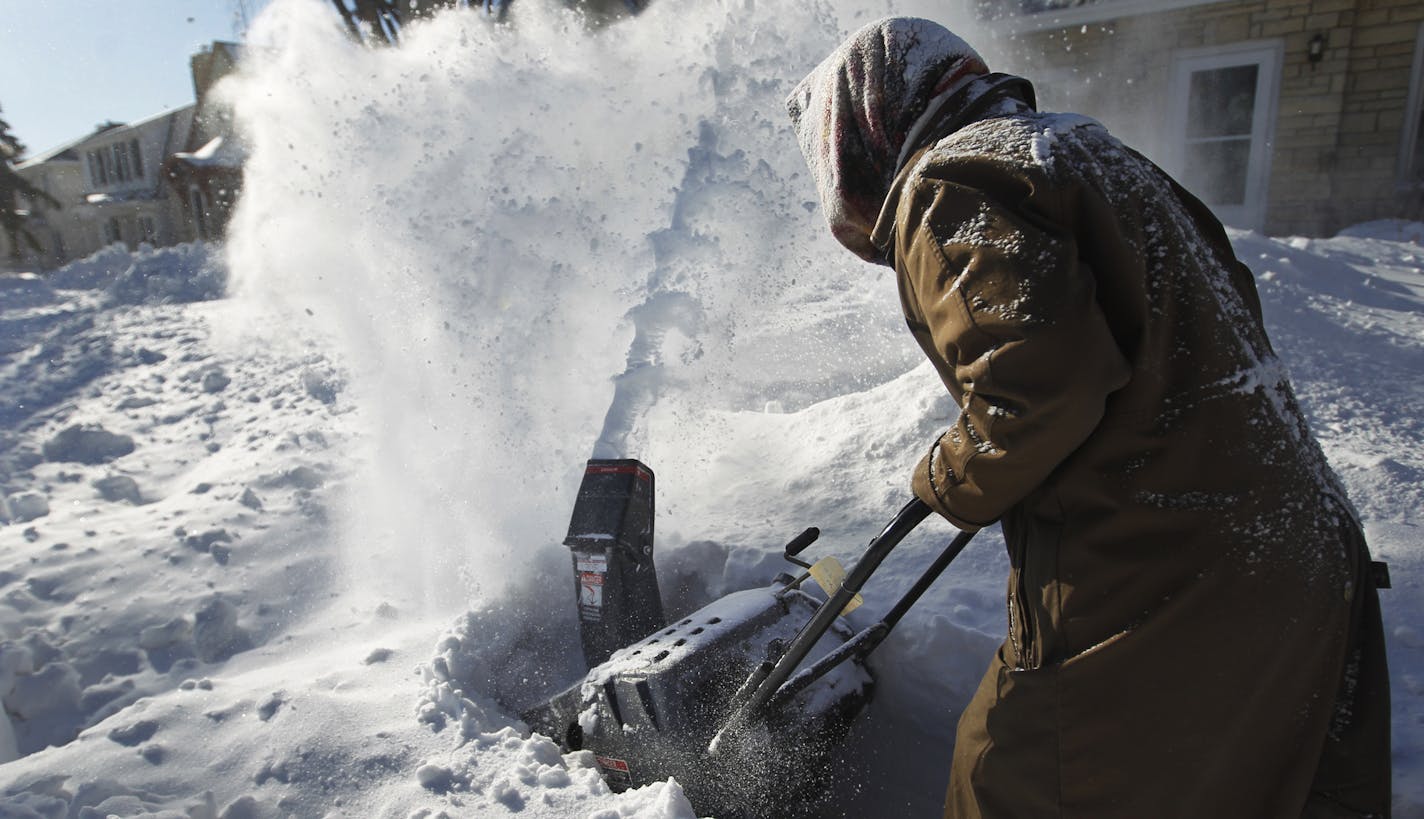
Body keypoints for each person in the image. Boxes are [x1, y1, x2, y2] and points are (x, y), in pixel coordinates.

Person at [786, 17, 1390, 819]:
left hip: (1166, 569)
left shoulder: (953, 180)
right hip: (1298, 550)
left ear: (868, 124)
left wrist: (945, 476)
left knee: (1005, 778)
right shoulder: (1088, 153)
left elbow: (1032, 392)